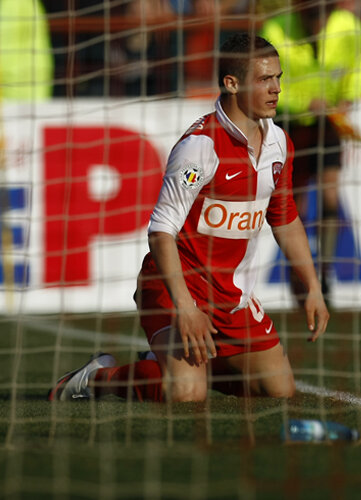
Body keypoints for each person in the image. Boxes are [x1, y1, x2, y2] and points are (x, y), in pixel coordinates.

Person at [48, 33, 330, 403]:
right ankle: (99, 377)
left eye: (278, 77)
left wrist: (312, 287)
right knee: (185, 392)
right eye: (264, 79)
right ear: (231, 83)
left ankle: (180, 365)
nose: (276, 88)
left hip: (232, 299)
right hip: (174, 290)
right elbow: (160, 231)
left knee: (278, 390)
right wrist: (186, 308)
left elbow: (285, 218)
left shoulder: (279, 142)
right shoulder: (200, 147)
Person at [260, 0, 361, 304]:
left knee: (330, 196)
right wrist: (303, 104)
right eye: (313, 14)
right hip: (289, 124)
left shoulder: (349, 27)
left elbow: (360, 64)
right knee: (293, 204)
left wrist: (349, 97)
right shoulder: (275, 29)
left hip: (328, 123)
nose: (319, 21)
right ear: (300, 10)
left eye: (325, 13)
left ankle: (325, 272)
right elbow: (264, 82)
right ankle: (299, 274)